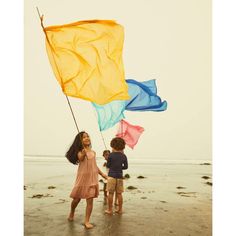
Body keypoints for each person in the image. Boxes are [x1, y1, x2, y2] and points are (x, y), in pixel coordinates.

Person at [66, 131, 107, 229]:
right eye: (84, 137)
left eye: (87, 136)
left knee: (90, 200)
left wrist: (103, 174)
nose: (87, 138)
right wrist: (84, 153)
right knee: (77, 199)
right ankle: (72, 212)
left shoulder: (93, 152)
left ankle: (87, 221)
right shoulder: (80, 152)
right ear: (80, 141)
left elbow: (94, 166)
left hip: (92, 178)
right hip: (83, 178)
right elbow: (80, 158)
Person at [105, 137, 128, 215]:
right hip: (120, 177)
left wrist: (112, 165)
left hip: (111, 176)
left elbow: (108, 165)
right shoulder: (123, 156)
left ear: (112, 146)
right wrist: (119, 167)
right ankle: (120, 210)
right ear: (123, 146)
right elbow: (126, 167)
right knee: (119, 194)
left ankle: (109, 210)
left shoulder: (111, 155)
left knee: (110, 193)